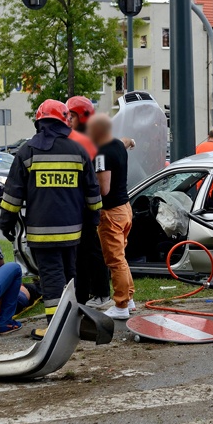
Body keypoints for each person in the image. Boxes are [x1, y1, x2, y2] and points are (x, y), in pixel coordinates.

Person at [0, 99, 102, 340]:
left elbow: (13, 195)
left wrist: (6, 224)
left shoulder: (27, 151)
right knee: (69, 275)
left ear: (39, 122)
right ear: (64, 122)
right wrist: (93, 220)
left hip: (41, 232)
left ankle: (54, 328)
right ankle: (70, 320)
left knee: (51, 277)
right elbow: (93, 194)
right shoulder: (78, 151)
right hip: (73, 232)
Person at [65, 95, 112, 309]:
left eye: (71, 116)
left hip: (89, 207)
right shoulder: (75, 141)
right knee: (81, 254)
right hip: (79, 207)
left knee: (91, 251)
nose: (68, 120)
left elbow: (101, 185)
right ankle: (83, 295)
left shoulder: (93, 144)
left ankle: (101, 292)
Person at [88, 113, 136, 320]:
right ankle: (129, 298)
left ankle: (121, 305)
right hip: (125, 209)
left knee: (115, 261)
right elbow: (126, 141)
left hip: (110, 214)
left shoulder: (101, 153)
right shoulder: (116, 144)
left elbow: (103, 189)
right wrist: (132, 141)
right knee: (122, 259)